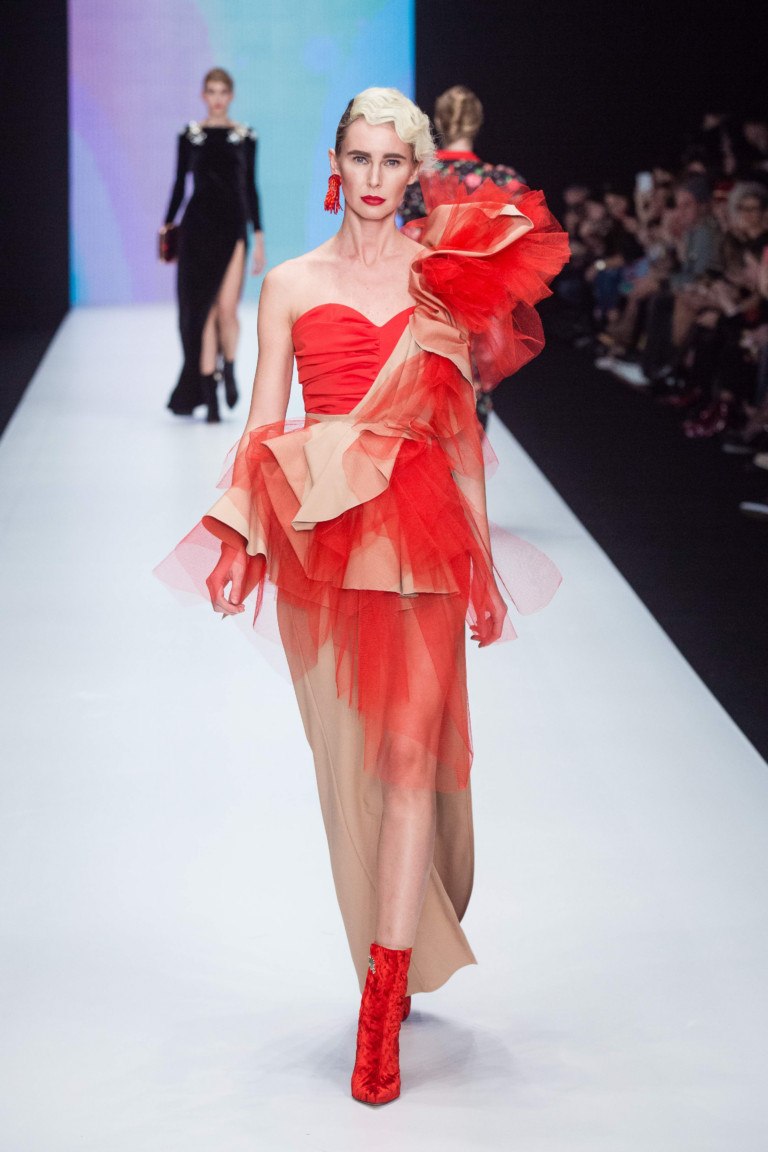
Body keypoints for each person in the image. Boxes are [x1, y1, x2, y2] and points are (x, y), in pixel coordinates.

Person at [156, 87, 568, 1105]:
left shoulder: (441, 282)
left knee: (411, 763)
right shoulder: (291, 283)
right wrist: (238, 538)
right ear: (336, 164)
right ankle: (395, 939)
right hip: (325, 542)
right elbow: (263, 426)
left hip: (423, 538)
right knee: (352, 769)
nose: (376, 177)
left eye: (394, 160)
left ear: (414, 171)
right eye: (361, 157)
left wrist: (480, 563)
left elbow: (460, 431)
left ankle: (380, 1008)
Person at [162, 67, 265, 423]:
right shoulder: (190, 135)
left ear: (230, 96)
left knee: (226, 310)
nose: (217, 98)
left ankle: (230, 370)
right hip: (197, 230)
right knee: (202, 311)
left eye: (223, 91)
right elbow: (179, 184)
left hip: (233, 227)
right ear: (203, 95)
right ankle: (210, 396)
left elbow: (250, 187)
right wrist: (167, 227)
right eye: (211, 91)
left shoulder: (245, 136)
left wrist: (259, 236)